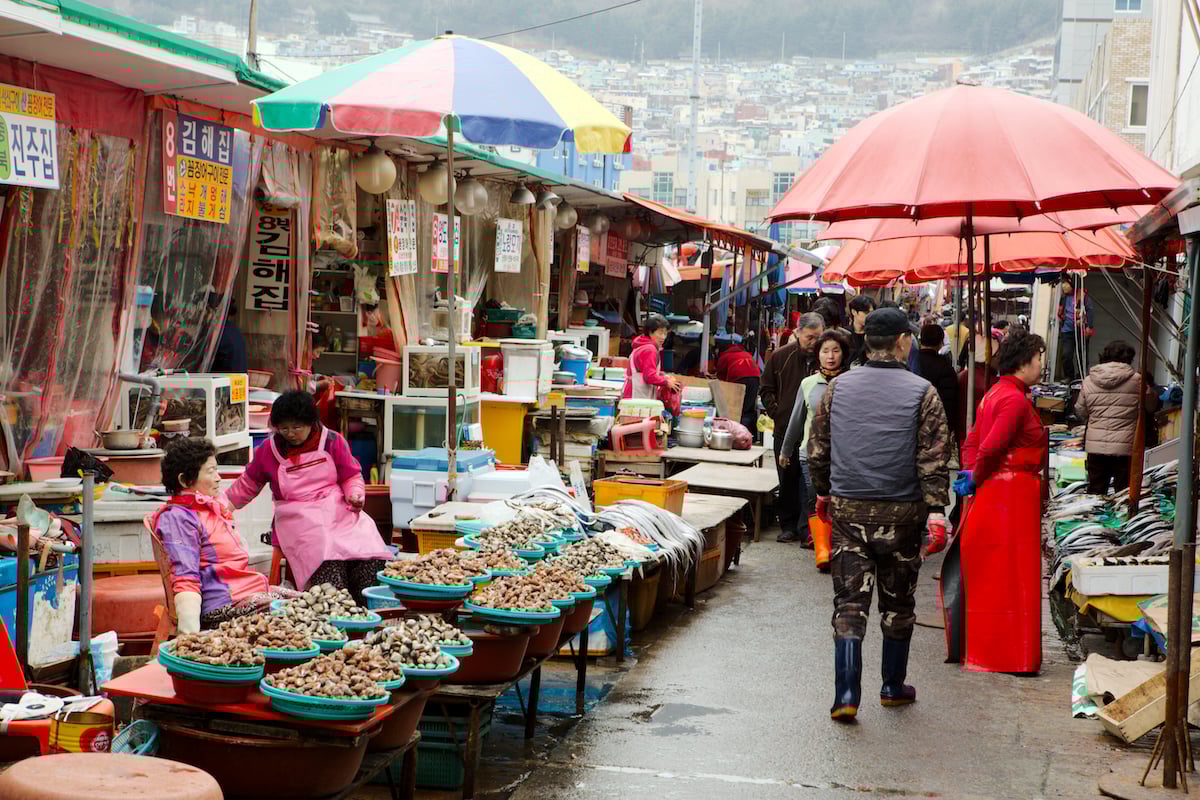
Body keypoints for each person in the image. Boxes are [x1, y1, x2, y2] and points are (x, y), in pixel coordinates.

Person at [808, 307, 954, 722]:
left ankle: (846, 695)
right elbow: (934, 459)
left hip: (848, 511)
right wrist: (937, 512)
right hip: (904, 514)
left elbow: (817, 449)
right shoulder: (923, 392)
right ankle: (891, 686)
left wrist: (822, 493)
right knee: (898, 603)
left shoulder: (837, 389)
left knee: (849, 604)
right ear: (903, 342)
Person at [225, 390, 393, 603]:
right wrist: (222, 508)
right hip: (297, 516)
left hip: (339, 509)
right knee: (327, 554)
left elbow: (351, 476)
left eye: (297, 427)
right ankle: (335, 607)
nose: (290, 433)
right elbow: (246, 486)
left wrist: (355, 495)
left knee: (368, 550)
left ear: (311, 423)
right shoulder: (269, 450)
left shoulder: (332, 441)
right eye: (284, 428)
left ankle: (367, 606)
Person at [956, 330, 1047, 674]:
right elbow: (991, 446)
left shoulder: (996, 392)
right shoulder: (1013, 399)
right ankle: (1010, 655)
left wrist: (971, 475)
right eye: (1039, 358)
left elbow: (973, 441)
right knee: (1012, 577)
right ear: (1025, 362)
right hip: (1011, 496)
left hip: (998, 494)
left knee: (996, 575)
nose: (1042, 365)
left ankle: (995, 651)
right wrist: (976, 475)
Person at [145, 438, 295, 632]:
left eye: (217, 470)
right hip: (222, 605)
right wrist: (189, 639)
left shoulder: (210, 508)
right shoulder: (178, 518)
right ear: (184, 480)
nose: (218, 478)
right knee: (295, 611)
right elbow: (185, 579)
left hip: (245, 591)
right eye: (210, 471)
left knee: (311, 600)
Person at [778, 329, 851, 558]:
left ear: (844, 354)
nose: (830, 356)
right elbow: (796, 419)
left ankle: (834, 542)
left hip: (844, 455)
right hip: (810, 453)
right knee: (814, 497)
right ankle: (822, 548)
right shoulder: (808, 383)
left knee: (838, 499)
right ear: (818, 355)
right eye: (825, 351)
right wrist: (785, 450)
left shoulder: (851, 383)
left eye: (836, 351)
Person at [762, 313, 824, 543]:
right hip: (785, 429)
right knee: (787, 478)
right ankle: (787, 525)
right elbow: (766, 389)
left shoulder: (824, 359)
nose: (814, 343)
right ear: (798, 333)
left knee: (808, 483)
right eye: (810, 337)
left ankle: (806, 528)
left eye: (818, 337)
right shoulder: (780, 357)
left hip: (814, 433)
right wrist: (778, 413)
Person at [1075, 340, 1159, 494]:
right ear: (1129, 359)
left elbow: (1081, 411)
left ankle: (1095, 518)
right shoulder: (1138, 381)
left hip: (1096, 447)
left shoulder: (1088, 381)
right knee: (1123, 493)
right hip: (1126, 447)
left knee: (1096, 492)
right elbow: (1151, 405)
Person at [623, 315, 683, 413]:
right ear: (650, 332)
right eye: (660, 333)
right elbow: (649, 376)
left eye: (665, 333)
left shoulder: (642, 346)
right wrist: (666, 382)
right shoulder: (650, 349)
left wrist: (663, 376)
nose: (663, 337)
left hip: (632, 393)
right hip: (637, 397)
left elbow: (644, 371)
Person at [917, 324, 959, 439]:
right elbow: (949, 402)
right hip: (934, 426)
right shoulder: (945, 368)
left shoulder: (911, 363)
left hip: (911, 421)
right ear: (940, 342)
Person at [716, 334, 762, 433]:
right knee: (748, 407)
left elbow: (721, 379)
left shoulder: (725, 356)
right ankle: (749, 433)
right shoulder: (745, 353)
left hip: (739, 378)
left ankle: (739, 432)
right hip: (755, 377)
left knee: (738, 408)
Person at [1057, 281, 1094, 382]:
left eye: (1066, 283)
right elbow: (1060, 311)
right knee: (1066, 355)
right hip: (1067, 330)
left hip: (1081, 329)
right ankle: (1069, 376)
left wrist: (1089, 326)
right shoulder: (1064, 298)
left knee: (1082, 355)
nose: (1064, 286)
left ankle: (1081, 376)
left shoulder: (1083, 296)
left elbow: (1090, 310)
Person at [208, 293, 247, 374]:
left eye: (206, 310)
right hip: (236, 382)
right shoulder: (232, 330)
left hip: (223, 382)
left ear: (214, 311)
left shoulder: (219, 333)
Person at [847, 294, 876, 365]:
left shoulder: (874, 334)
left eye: (872, 313)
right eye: (866, 312)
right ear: (854, 312)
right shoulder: (845, 334)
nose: (870, 316)